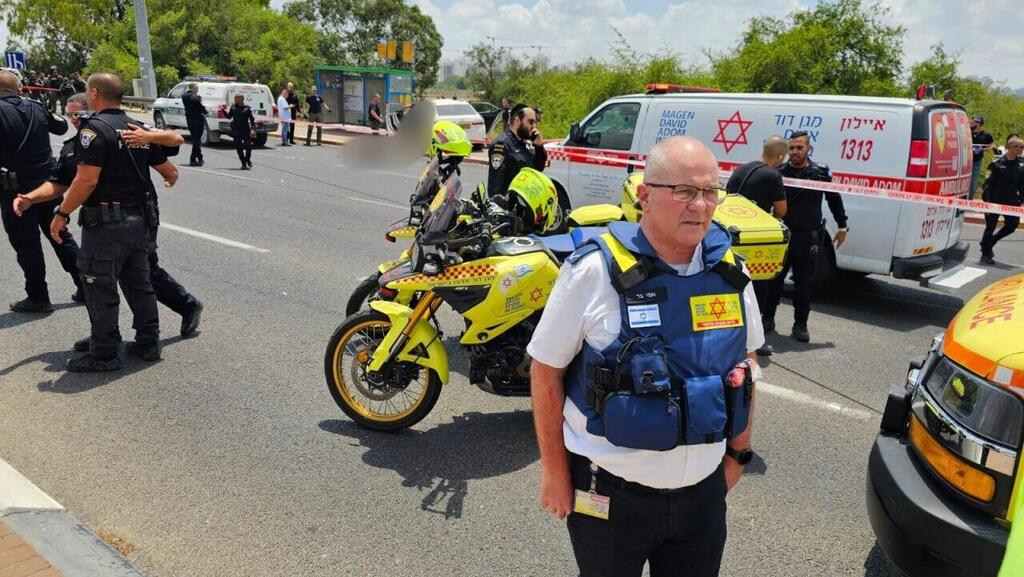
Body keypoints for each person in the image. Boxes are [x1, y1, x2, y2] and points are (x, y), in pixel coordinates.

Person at [529, 136, 762, 577]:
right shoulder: (594, 271)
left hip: (702, 497)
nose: (700, 205)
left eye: (711, 191)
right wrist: (555, 473)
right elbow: (545, 371)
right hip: (611, 495)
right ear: (644, 197)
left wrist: (738, 456)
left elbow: (745, 368)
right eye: (685, 191)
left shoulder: (731, 273)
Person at [16, 91, 203, 345]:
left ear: (94, 107)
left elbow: (170, 155)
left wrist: (62, 213)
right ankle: (105, 336)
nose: (73, 119)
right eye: (70, 114)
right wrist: (31, 197)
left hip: (137, 214)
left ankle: (183, 307)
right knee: (107, 276)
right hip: (103, 220)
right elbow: (59, 182)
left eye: (78, 113)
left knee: (140, 272)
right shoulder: (74, 147)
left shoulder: (129, 133)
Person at [48, 73, 173, 372]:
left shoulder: (94, 130)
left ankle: (104, 354)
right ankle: (148, 343)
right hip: (139, 221)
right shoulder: (137, 128)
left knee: (98, 285)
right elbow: (168, 170)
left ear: (94, 94)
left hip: (106, 225)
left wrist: (62, 213)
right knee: (139, 284)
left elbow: (86, 180)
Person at [0, 70, 82, 313]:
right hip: (47, 186)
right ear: (20, 89)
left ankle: (38, 297)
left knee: (27, 245)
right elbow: (61, 127)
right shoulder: (36, 106)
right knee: (60, 235)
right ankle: (87, 286)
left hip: (14, 191)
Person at [762, 131, 848, 343]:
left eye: (799, 147)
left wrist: (843, 226)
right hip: (782, 236)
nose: (795, 152)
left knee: (803, 283)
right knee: (774, 280)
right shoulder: (778, 172)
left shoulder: (819, 173)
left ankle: (800, 324)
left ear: (808, 148)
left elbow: (833, 198)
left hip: (808, 238)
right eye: (791, 148)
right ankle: (768, 318)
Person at [725, 135, 788, 356]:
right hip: (757, 243)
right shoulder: (773, 176)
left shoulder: (740, 170)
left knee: (733, 288)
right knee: (757, 292)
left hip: (732, 238)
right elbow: (781, 210)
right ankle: (754, 341)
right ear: (780, 155)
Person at [978, 136, 1024, 265]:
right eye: (1019, 146)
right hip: (994, 200)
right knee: (990, 227)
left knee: (1012, 226)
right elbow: (988, 183)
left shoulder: (1021, 165)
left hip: (1012, 201)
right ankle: (985, 254)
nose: (1022, 149)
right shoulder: (997, 163)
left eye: (1022, 147)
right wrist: (987, 201)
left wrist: (1021, 200)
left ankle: (991, 241)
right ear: (1010, 147)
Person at [487, 104, 547, 198]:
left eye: (535, 123)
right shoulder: (502, 145)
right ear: (518, 120)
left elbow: (538, 168)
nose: (534, 127)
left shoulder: (524, 143)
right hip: (510, 208)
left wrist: (539, 146)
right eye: (530, 122)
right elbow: (495, 188)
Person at [226, 94, 256, 168]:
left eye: (237, 98)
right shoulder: (233, 107)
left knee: (248, 147)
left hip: (245, 130)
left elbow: (252, 119)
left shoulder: (247, 108)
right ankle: (243, 163)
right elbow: (229, 116)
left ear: (242, 99)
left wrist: (252, 129)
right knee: (239, 147)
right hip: (236, 130)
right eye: (235, 98)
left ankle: (248, 160)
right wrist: (223, 111)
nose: (235, 100)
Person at [970, 116, 995, 200]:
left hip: (976, 161)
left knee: (972, 182)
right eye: (973, 122)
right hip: (965, 160)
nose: (974, 124)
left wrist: (982, 149)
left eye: (976, 122)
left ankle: (968, 201)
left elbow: (992, 145)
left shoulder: (986, 135)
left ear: (980, 124)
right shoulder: (967, 132)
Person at [182, 83, 207, 166]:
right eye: (197, 88)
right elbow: (198, 103)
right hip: (197, 120)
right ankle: (192, 159)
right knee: (196, 141)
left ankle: (200, 157)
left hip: (189, 120)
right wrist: (205, 111)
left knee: (196, 140)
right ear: (193, 88)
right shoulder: (194, 96)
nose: (197, 90)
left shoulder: (184, 96)